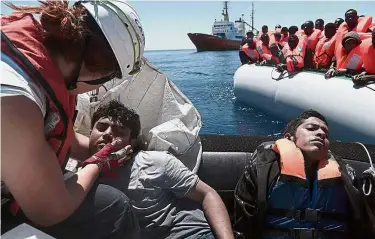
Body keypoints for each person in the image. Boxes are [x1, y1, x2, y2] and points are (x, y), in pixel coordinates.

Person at [1, 1, 145, 238]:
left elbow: (61, 140)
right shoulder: (15, 97)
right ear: (98, 70)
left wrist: (107, 149)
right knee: (115, 206)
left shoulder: (35, 63)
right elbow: (49, 209)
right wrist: (98, 163)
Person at [90, 100, 234, 239]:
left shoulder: (155, 162)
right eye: (101, 128)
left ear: (132, 142)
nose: (108, 134)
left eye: (119, 132)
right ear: (90, 132)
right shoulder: (79, 179)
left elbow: (207, 194)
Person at [234, 109, 375, 239]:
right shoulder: (264, 166)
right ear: (289, 137)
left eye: (326, 134)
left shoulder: (345, 174)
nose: (320, 134)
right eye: (311, 128)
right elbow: (243, 221)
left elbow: (363, 218)